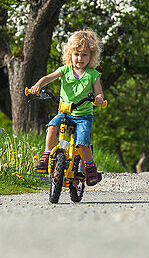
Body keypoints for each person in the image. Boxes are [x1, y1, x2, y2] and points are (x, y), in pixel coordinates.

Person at [30, 29, 105, 186]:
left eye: (84, 54)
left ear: (91, 56)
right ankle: (46, 155)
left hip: (83, 115)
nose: (80, 58)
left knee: (82, 141)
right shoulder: (64, 71)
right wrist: (37, 85)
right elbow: (48, 78)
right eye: (76, 54)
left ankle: (90, 167)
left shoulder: (93, 74)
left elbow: (99, 93)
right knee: (52, 127)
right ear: (70, 54)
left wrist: (99, 99)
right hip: (64, 113)